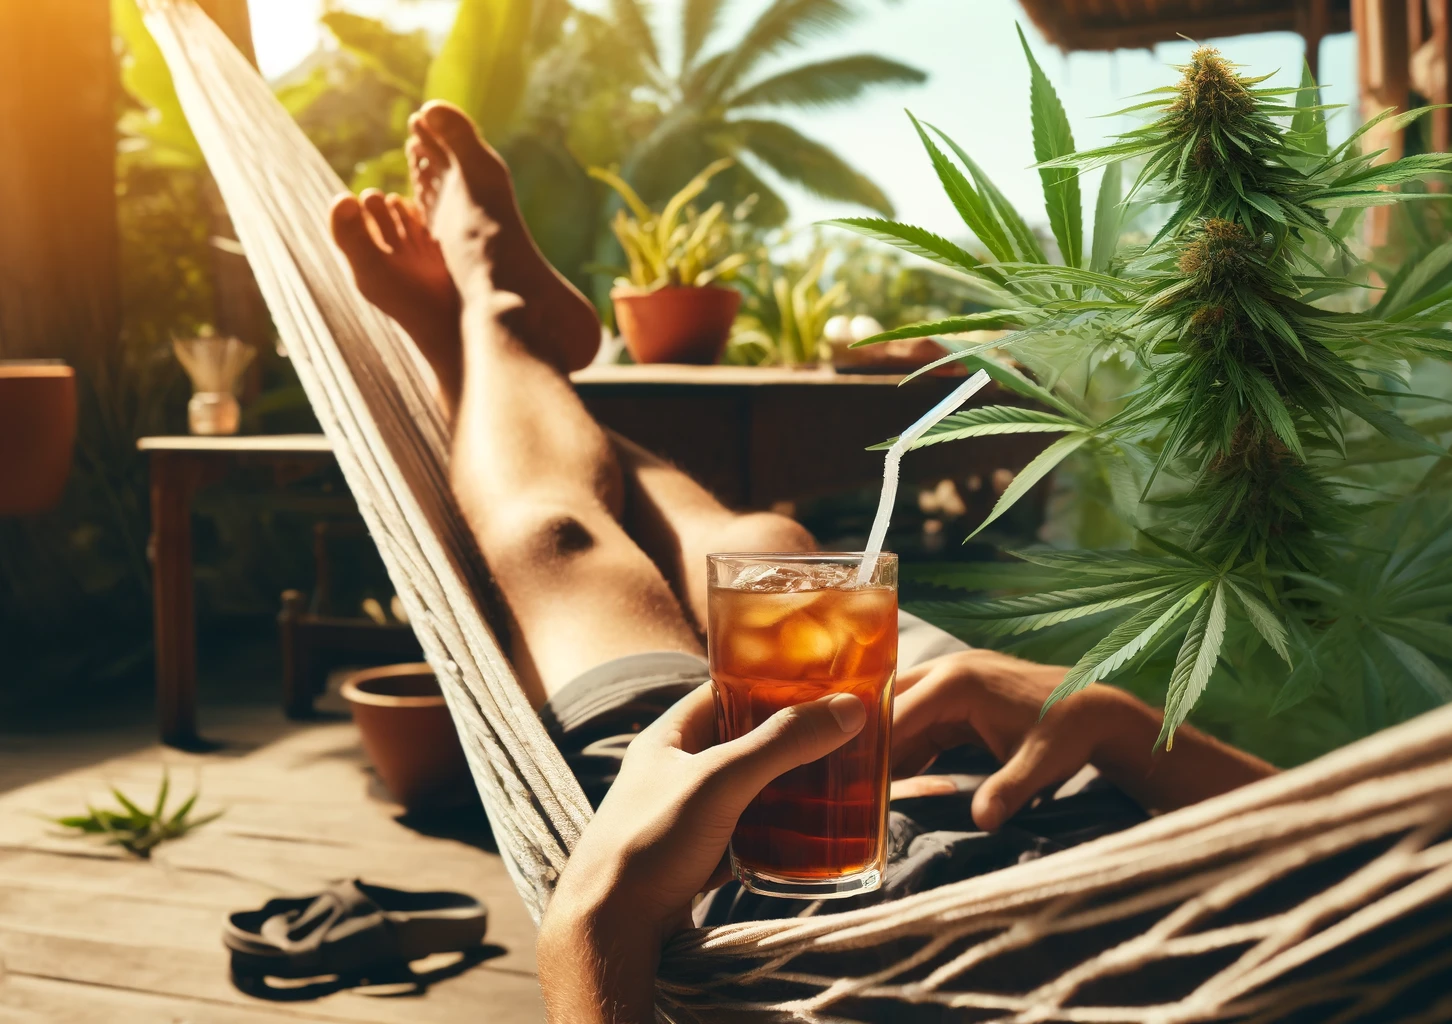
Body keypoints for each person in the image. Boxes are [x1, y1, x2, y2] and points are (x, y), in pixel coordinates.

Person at [328, 101, 1276, 1023]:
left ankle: (487, 323)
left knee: (557, 541)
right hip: (1006, 776)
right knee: (765, 554)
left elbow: (606, 921)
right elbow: (1357, 845)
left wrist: (596, 913)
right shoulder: (1373, 961)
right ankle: (514, 355)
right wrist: (1112, 722)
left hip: (758, 893)